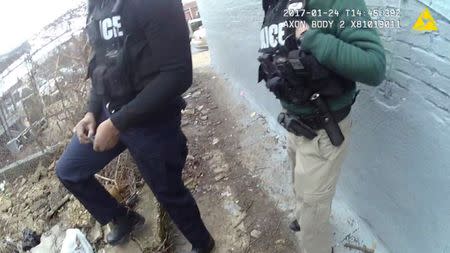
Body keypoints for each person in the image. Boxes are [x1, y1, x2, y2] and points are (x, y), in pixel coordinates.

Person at [55, 0, 215, 252]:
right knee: (69, 170)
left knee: (167, 192)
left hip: (152, 118)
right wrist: (90, 112)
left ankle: (201, 242)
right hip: (110, 114)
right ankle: (122, 217)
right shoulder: (97, 5)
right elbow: (101, 67)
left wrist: (118, 124)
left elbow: (178, 73)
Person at [258, 0, 386, 253]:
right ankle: (301, 216)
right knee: (298, 182)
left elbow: (374, 66)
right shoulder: (276, 4)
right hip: (294, 122)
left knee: (313, 215)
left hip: (322, 132)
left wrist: (311, 38)